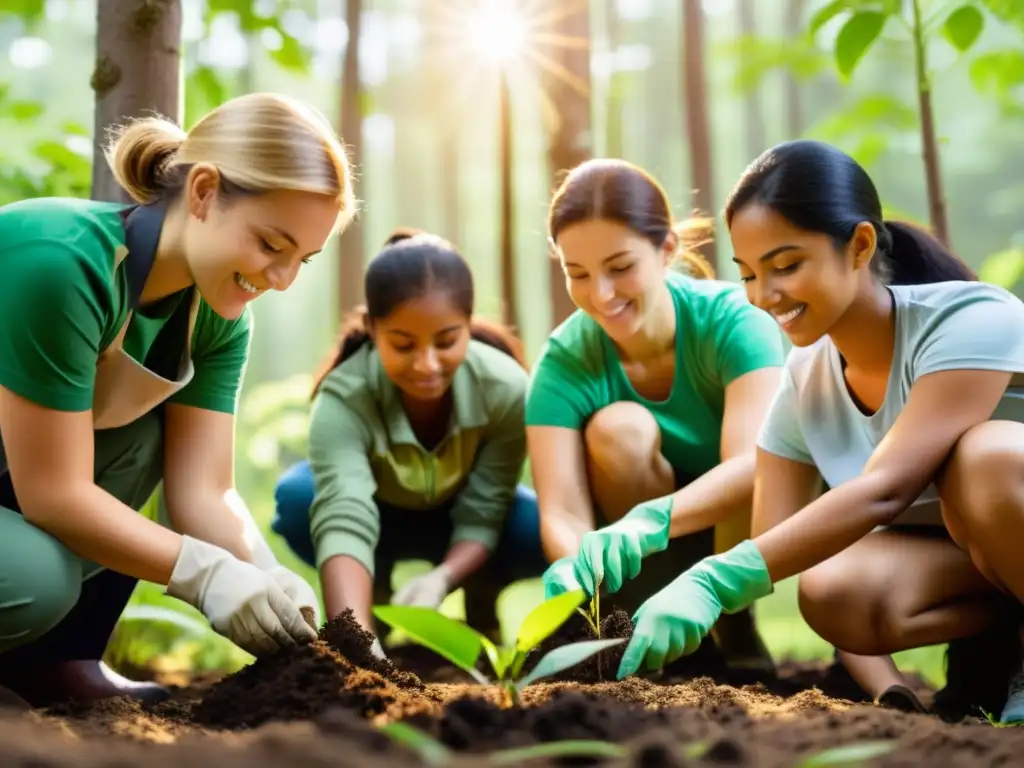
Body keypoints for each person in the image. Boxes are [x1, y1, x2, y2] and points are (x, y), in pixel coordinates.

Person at [607, 139, 1024, 724]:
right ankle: (1009, 638)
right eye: (749, 274)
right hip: (988, 567)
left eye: (786, 266)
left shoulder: (971, 318)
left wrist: (712, 581)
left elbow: (886, 487)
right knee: (830, 589)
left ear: (859, 246)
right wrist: (650, 527)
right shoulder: (807, 377)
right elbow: (773, 526)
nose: (763, 295)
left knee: (986, 458)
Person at [0, 92, 357, 707]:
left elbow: (203, 491)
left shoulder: (217, 315)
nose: (281, 280)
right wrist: (204, 573)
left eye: (303, 258)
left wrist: (265, 573)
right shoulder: (63, 264)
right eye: (272, 245)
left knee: (146, 437)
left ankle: (58, 660)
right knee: (34, 578)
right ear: (203, 192)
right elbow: (53, 494)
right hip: (28, 485)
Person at [531, 158, 786, 671]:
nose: (600, 295)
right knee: (619, 429)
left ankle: (733, 620)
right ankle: (638, 615)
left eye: (620, 268)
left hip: (731, 531)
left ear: (667, 248)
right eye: (576, 274)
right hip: (640, 549)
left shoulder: (733, 321)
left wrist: (652, 521)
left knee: (745, 462)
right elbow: (561, 509)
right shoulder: (563, 361)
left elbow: (752, 466)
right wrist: (578, 569)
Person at [271, 229, 546, 649]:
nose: (427, 365)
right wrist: (351, 639)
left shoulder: (506, 387)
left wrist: (444, 577)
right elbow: (344, 513)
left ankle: (482, 601)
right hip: (381, 519)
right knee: (297, 497)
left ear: (469, 325)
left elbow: (486, 506)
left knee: (536, 526)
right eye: (402, 344)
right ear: (371, 328)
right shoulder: (345, 396)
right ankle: (371, 606)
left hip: (461, 519)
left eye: (447, 341)